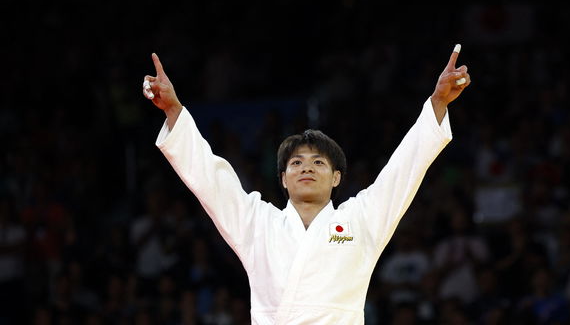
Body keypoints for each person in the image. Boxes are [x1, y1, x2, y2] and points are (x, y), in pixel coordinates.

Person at [142, 44, 471, 324]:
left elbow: (402, 171)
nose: (306, 168)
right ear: (283, 179)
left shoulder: (360, 220)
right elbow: (210, 180)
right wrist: (173, 110)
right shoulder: (258, 223)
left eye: (318, 163)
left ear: (336, 178)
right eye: (296, 163)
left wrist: (438, 105)